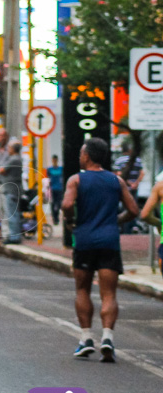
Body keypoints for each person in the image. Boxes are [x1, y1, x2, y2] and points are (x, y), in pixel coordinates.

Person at [63, 137, 138, 362]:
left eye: (81, 153)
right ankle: (107, 338)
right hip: (109, 242)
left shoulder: (76, 180)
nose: (79, 157)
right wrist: (117, 220)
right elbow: (134, 210)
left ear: (86, 156)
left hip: (84, 241)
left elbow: (67, 205)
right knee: (109, 293)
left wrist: (70, 220)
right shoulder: (116, 181)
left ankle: (86, 338)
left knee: (83, 289)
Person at [0, 141, 24, 244]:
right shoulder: (18, 159)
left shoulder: (14, 159)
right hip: (13, 189)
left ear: (13, 149)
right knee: (13, 213)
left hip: (11, 190)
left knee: (11, 213)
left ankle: (14, 237)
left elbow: (1, 170)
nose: (8, 150)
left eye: (9, 148)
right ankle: (14, 235)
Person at [47, 154, 64, 226]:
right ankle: (55, 218)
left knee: (59, 203)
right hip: (53, 189)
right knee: (53, 204)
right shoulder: (49, 169)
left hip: (59, 188)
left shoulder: (61, 169)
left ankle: (57, 217)